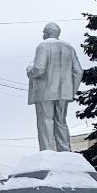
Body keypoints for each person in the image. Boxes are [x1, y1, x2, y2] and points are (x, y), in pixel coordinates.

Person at [26, 21, 83, 152]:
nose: (43, 35)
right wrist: (71, 91)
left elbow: (39, 69)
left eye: (44, 32)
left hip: (45, 92)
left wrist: (29, 70)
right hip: (64, 93)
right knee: (61, 122)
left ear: (47, 33)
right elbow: (79, 71)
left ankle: (47, 151)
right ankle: (65, 150)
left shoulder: (43, 46)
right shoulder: (69, 48)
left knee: (45, 121)